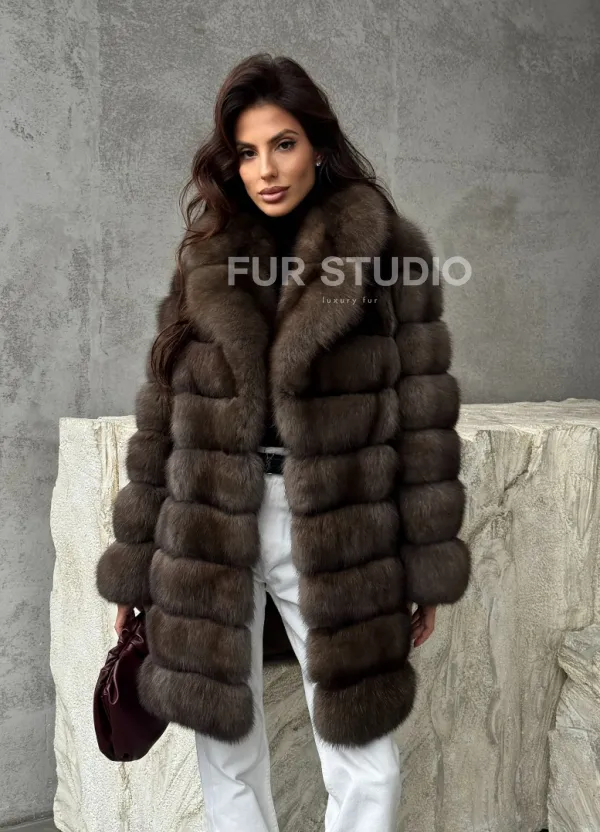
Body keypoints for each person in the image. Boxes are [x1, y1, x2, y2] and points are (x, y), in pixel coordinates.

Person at [95, 53, 471, 832]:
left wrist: (426, 566)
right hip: (207, 525)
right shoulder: (205, 255)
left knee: (363, 751)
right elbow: (162, 416)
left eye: (284, 143)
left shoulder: (387, 251)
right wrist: (135, 567)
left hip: (337, 525)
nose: (265, 169)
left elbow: (424, 418)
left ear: (319, 146)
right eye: (247, 151)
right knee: (223, 741)